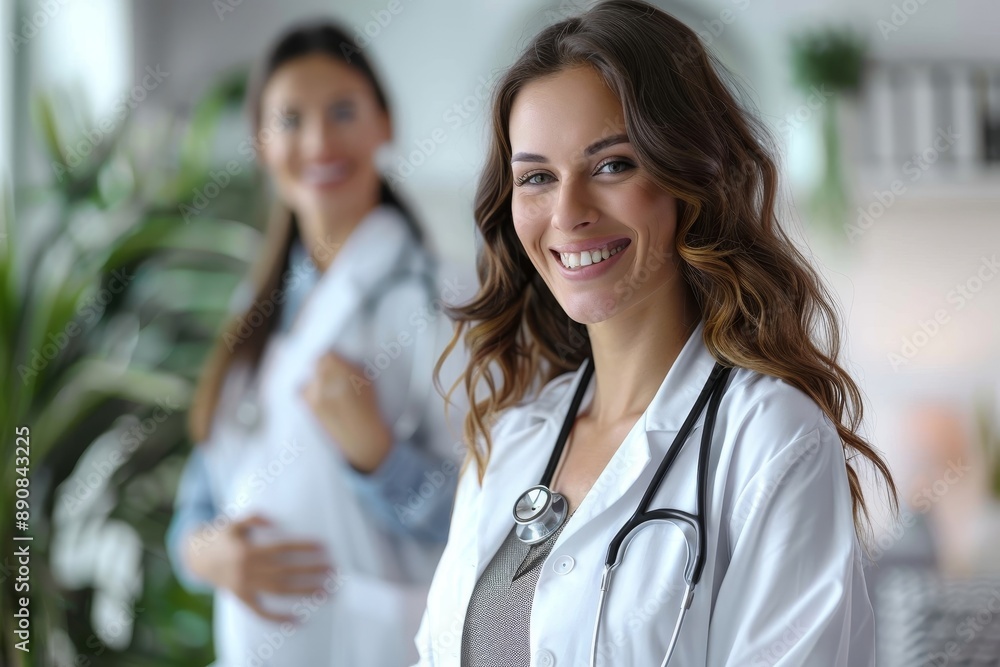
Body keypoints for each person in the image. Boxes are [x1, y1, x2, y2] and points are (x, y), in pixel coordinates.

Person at [413, 1, 897, 665]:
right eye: (537, 178)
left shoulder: (770, 440)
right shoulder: (513, 437)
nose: (569, 212)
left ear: (690, 180)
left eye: (612, 165)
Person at [165, 22, 471, 667]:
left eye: (342, 112)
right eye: (290, 120)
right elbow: (200, 500)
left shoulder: (445, 299)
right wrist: (205, 553)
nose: (319, 141)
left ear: (384, 124)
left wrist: (379, 459)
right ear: (261, 144)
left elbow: (485, 527)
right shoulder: (253, 310)